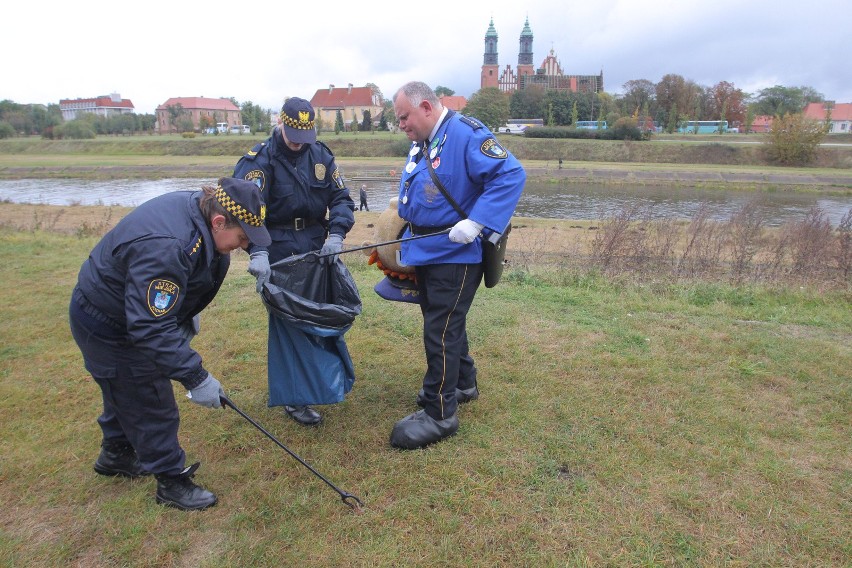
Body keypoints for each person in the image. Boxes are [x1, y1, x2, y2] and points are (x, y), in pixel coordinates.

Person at [69, 177, 271, 510]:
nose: (242, 246)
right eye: (242, 239)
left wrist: (183, 311)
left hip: (122, 312)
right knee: (149, 395)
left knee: (123, 387)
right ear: (219, 221)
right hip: (107, 323)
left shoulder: (203, 209)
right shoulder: (169, 245)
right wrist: (197, 377)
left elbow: (176, 285)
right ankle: (171, 481)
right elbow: (150, 326)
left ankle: (115, 455)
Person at [389, 81, 526, 449]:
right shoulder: (426, 141)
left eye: (404, 117)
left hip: (456, 255)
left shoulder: (465, 134)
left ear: (427, 108)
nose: (401, 124)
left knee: (441, 331)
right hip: (427, 251)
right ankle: (463, 383)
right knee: (445, 322)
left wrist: (477, 222)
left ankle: (440, 413)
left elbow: (511, 175)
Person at [233, 97, 355, 426]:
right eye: (293, 138)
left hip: (317, 248)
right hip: (278, 252)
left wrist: (337, 235)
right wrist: (257, 252)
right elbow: (244, 211)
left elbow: (342, 198)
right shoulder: (258, 162)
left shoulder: (321, 155)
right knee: (290, 326)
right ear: (280, 124)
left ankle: (325, 382)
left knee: (320, 317)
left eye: (305, 138)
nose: (300, 146)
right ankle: (296, 397)